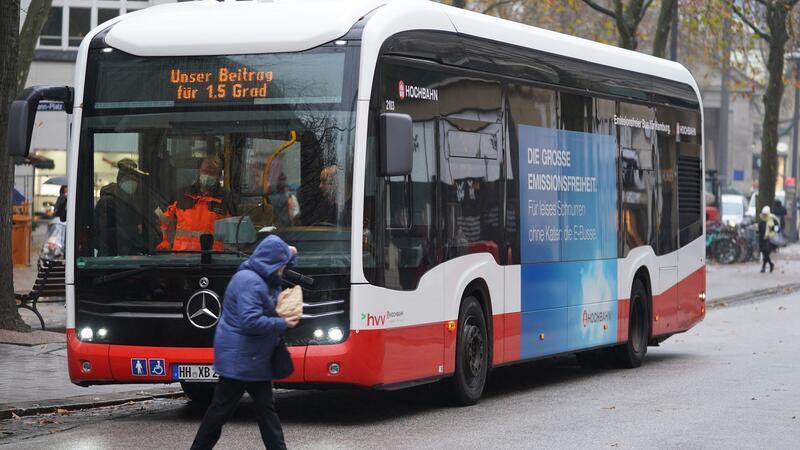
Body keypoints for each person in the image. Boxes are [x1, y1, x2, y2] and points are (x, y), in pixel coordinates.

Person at [191, 235, 301, 450]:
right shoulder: (249, 282)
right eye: (281, 264)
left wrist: (290, 253)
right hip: (239, 360)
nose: (283, 269)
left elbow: (281, 263)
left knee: (265, 411)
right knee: (220, 412)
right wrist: (282, 323)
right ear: (271, 263)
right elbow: (250, 322)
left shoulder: (263, 274)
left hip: (255, 358)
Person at [157, 156, 236, 252]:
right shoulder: (182, 195)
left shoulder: (225, 199)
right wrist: (164, 242)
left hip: (213, 257)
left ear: (219, 176)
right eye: (205, 172)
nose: (207, 176)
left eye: (212, 173)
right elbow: (165, 221)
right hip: (181, 256)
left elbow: (234, 231)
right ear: (199, 171)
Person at [94, 159, 158, 256]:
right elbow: (98, 235)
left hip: (137, 259)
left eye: (135, 180)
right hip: (110, 260)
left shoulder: (141, 203)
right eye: (127, 179)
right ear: (120, 181)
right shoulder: (107, 202)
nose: (132, 183)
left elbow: (155, 235)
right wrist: (134, 230)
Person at [758, 205, 780, 273]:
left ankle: (764, 267)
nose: (764, 216)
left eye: (765, 214)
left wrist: (772, 229)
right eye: (763, 214)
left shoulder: (772, 219)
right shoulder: (761, 220)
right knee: (764, 253)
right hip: (762, 238)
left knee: (766, 253)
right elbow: (760, 229)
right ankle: (770, 264)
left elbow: (777, 229)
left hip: (770, 238)